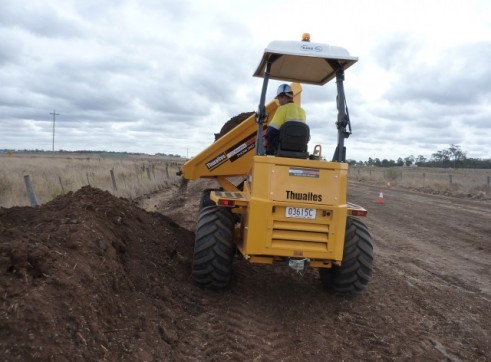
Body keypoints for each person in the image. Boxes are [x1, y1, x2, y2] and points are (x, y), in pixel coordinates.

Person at [264, 84, 306, 155]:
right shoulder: (302, 111)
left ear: (283, 96)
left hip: (282, 148)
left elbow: (272, 130)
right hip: (299, 149)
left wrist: (265, 143)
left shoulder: (282, 108)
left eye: (279, 99)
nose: (279, 102)